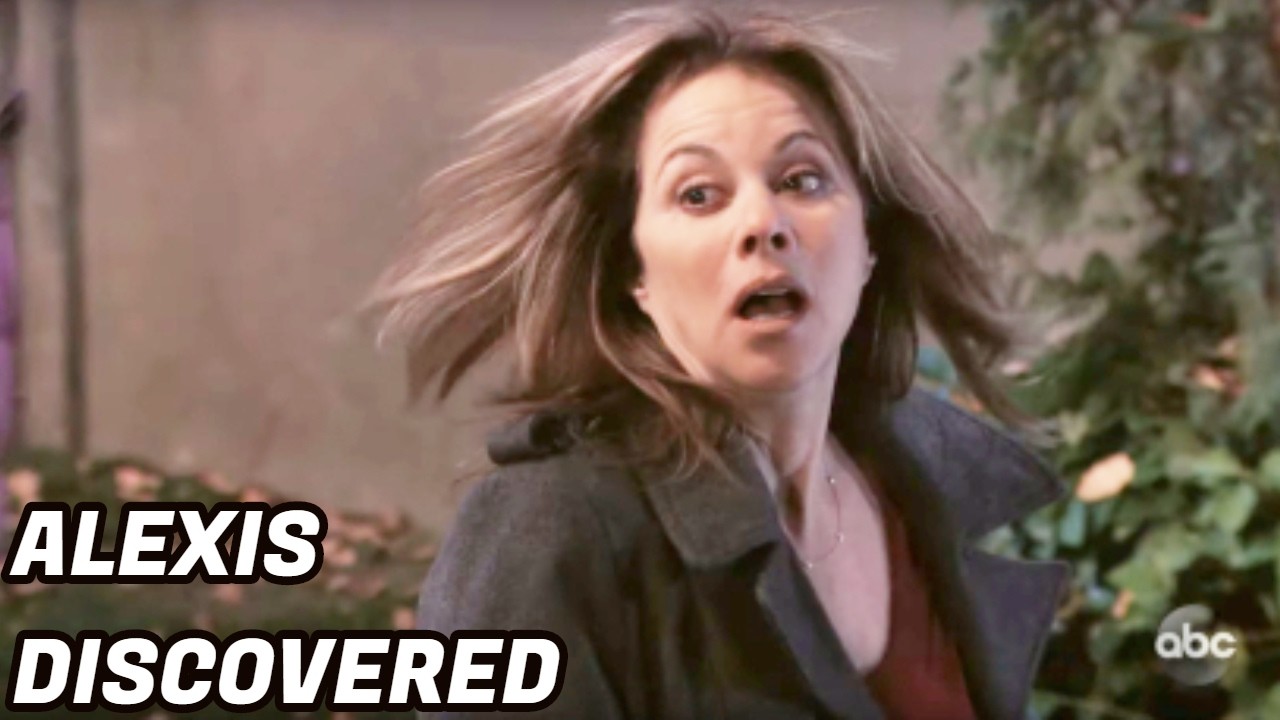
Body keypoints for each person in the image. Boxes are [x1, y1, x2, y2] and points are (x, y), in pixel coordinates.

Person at [366, 6, 1070, 719]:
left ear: (869, 244)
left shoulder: (915, 487)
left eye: (802, 180)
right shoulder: (549, 529)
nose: (763, 223)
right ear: (633, 272)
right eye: (698, 195)